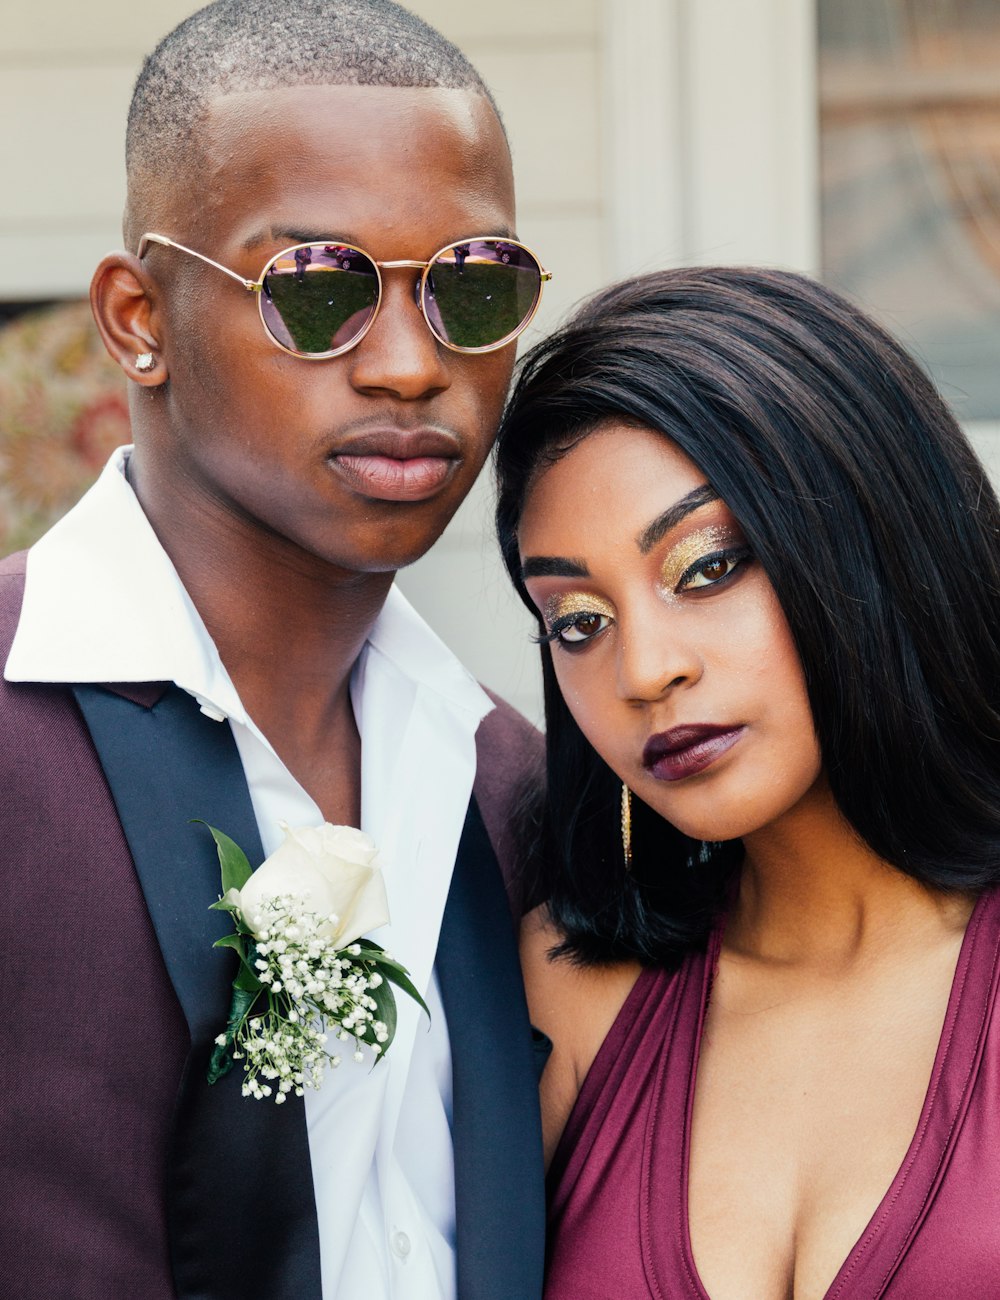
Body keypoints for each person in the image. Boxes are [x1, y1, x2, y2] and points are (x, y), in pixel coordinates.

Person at [0, 3, 552, 1298]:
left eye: (474, 288)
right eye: (321, 290)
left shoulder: (517, 787)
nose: (416, 367)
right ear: (137, 316)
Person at [494, 266, 1000, 1298]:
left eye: (707, 566)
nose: (644, 671)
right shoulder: (572, 993)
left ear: (869, 532)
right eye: (578, 622)